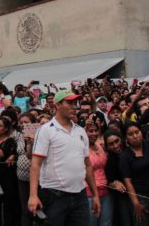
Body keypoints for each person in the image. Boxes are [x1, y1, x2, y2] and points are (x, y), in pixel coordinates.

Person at [29, 90, 101, 226]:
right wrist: (33, 195)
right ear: (57, 105)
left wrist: (95, 194)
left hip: (80, 196)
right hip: (54, 197)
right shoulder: (46, 130)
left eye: (75, 103)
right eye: (70, 102)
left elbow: (87, 165)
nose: (74, 106)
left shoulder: (80, 131)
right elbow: (35, 164)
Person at [120, 122, 149, 226]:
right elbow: (127, 181)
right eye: (131, 134)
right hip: (140, 197)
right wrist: (136, 203)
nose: (135, 136)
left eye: (137, 132)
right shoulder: (125, 156)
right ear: (126, 138)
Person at [84, 122, 112, 226]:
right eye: (90, 131)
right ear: (84, 132)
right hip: (89, 192)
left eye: (96, 130)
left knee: (106, 223)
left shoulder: (99, 147)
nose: (94, 133)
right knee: (91, 223)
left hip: (105, 191)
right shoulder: (82, 148)